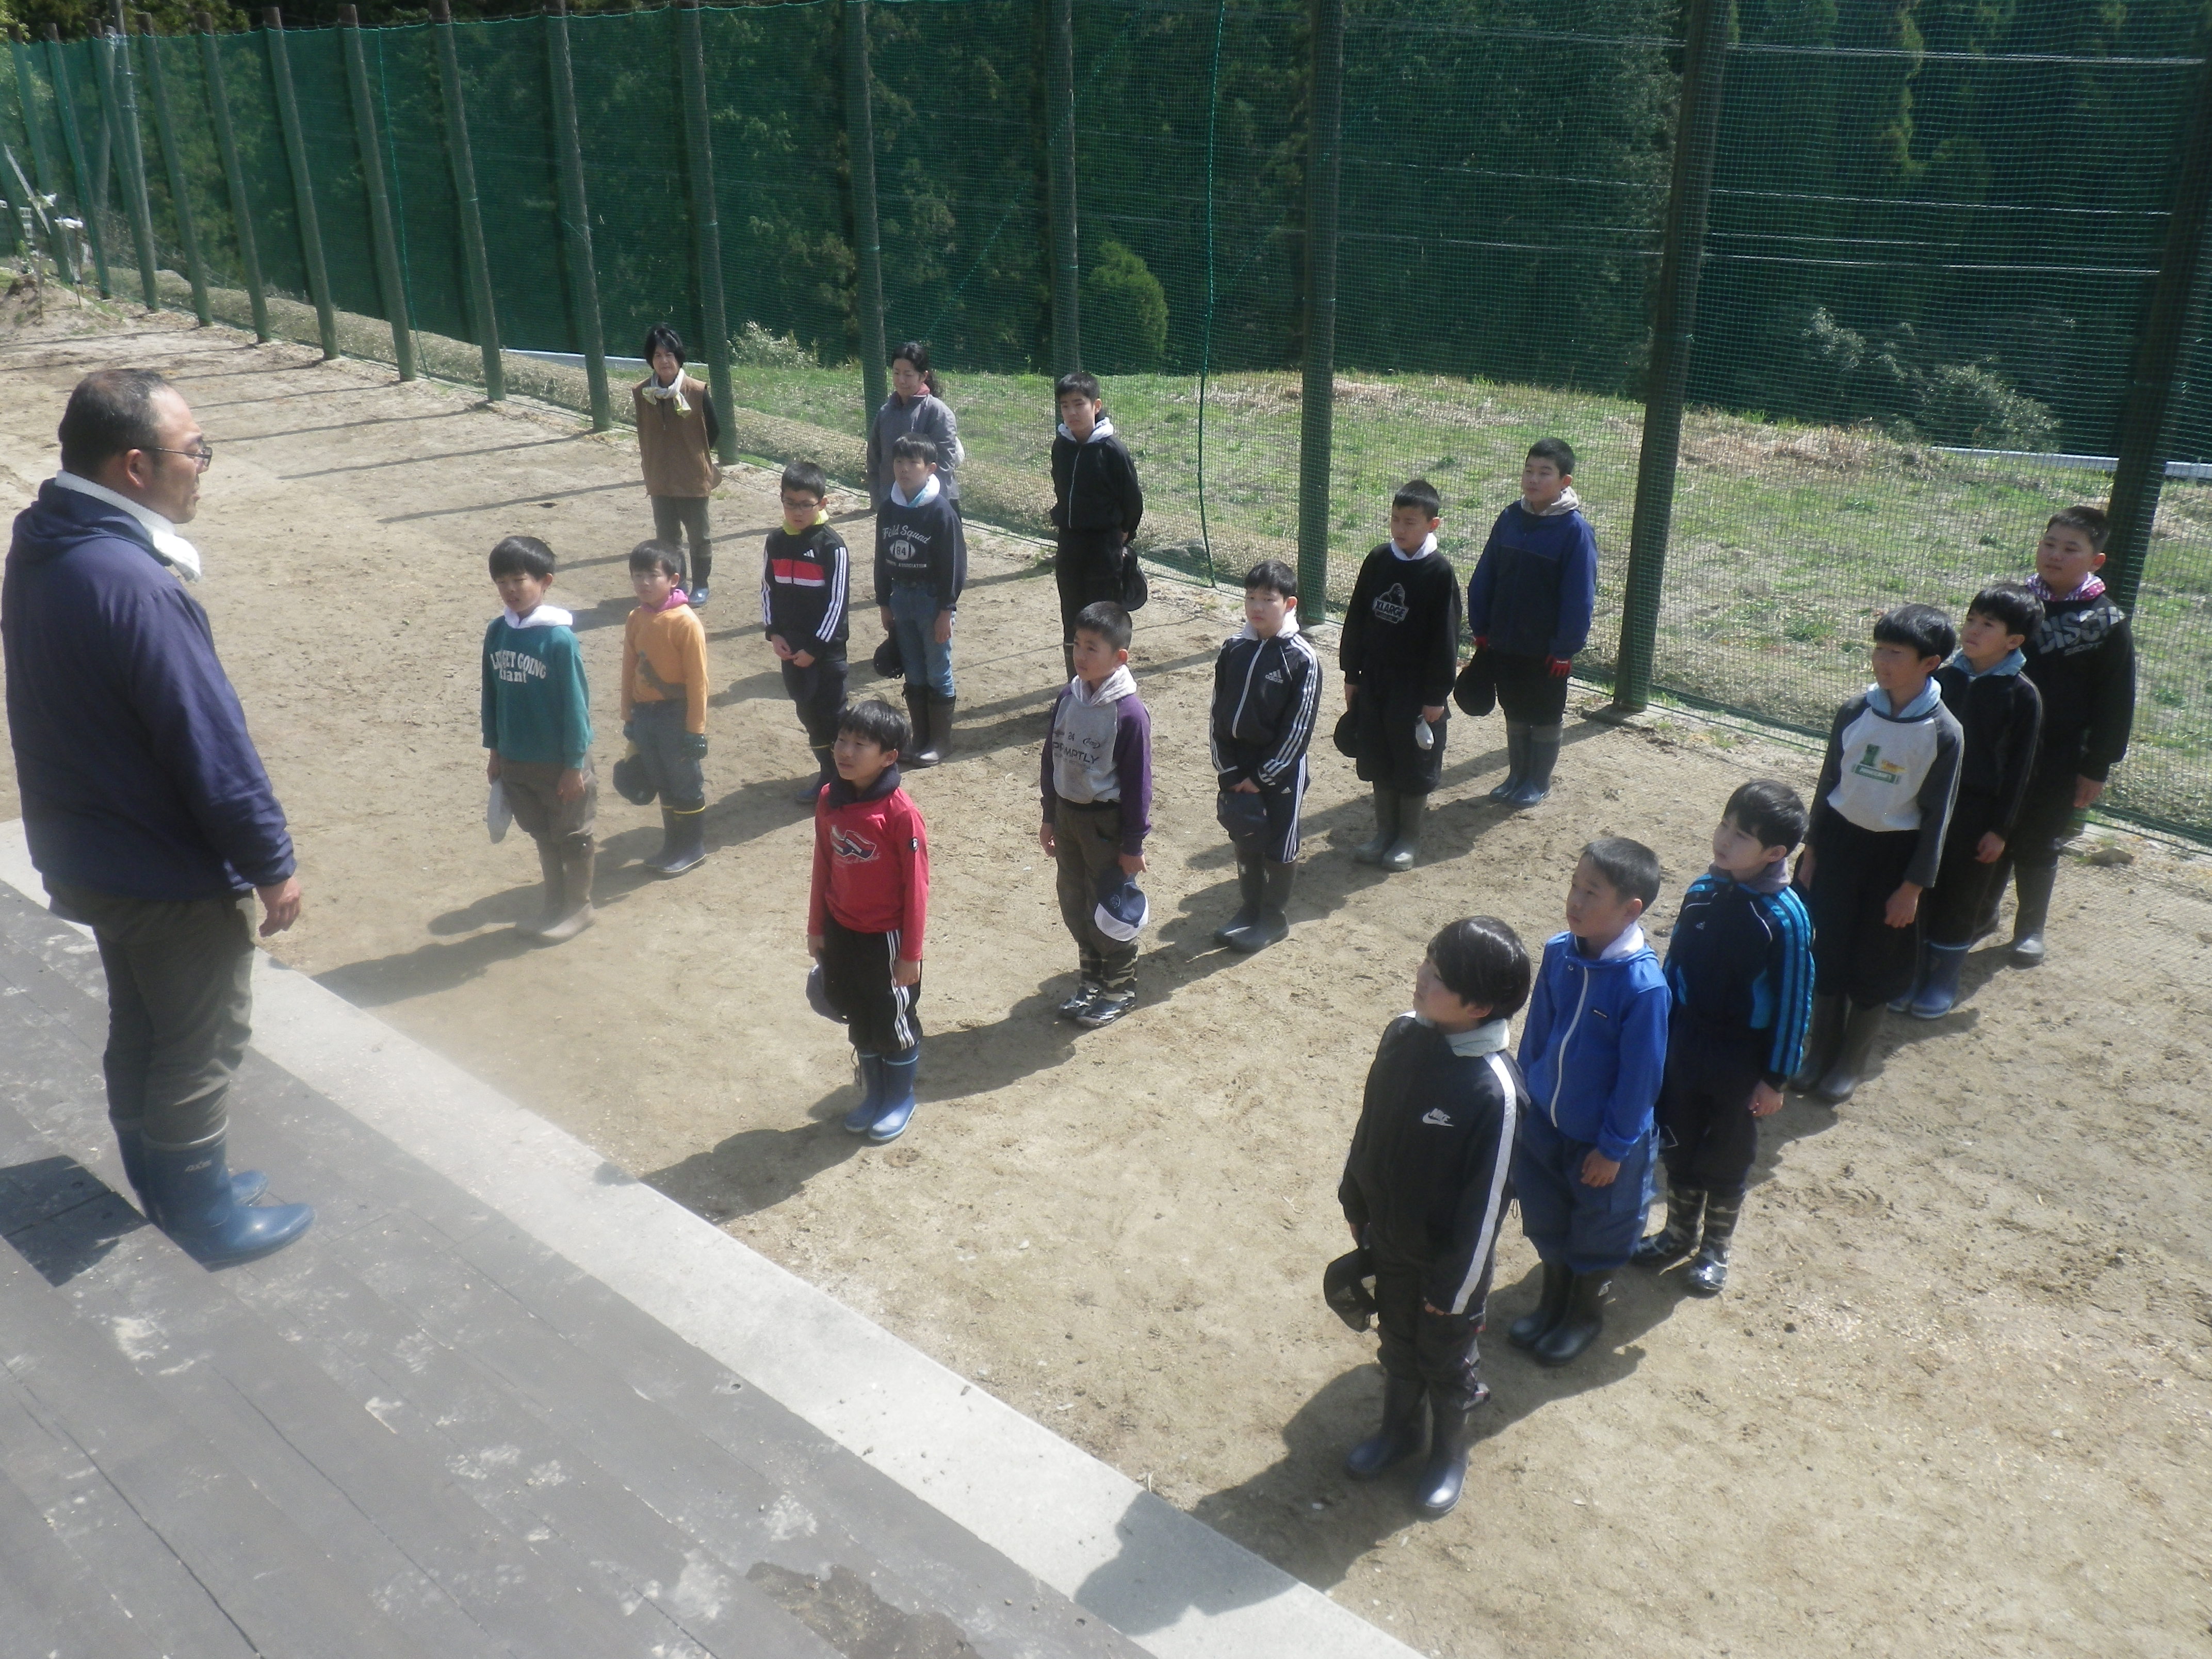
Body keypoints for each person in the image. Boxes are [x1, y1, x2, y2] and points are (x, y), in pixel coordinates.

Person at [2, 367, 314, 1263]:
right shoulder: (134, 584)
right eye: (195, 451)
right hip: (161, 864)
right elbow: (207, 741)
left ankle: (167, 1187)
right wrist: (271, 862)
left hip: (92, 848)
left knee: (142, 1023)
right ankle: (202, 1212)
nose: (203, 467)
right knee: (203, 1036)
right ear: (135, 466)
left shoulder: (45, 545)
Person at [1336, 918, 1531, 1519]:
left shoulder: (1495, 1092)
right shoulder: (1402, 1035)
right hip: (1388, 1239)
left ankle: (1448, 1454)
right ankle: (1398, 1433)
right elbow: (1371, 1123)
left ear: (1479, 1006)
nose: (1422, 975)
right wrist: (1355, 1200)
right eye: (1427, 959)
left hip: (1448, 1269)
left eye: (1440, 976)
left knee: (1445, 1361)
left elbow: (1486, 1207)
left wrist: (1455, 1290)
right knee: (1396, 1340)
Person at [1631, 782, 1813, 1295]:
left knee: (1728, 1152)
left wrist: (1774, 1078)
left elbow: (1795, 1001)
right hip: (1686, 1042)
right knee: (1679, 1137)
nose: (1724, 839)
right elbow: (1675, 966)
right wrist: (1658, 1034)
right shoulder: (1702, 891)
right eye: (1725, 825)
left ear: (1775, 853)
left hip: (1740, 1056)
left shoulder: (1786, 918)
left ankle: (1715, 1247)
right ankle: (1677, 1233)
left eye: (1741, 836)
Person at [1790, 604, 1962, 1104]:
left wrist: (1912, 887)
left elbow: (1938, 818)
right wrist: (1812, 850)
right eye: (1879, 649)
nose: (1882, 661)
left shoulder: (1943, 732)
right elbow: (1829, 783)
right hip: (1841, 845)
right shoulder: (1855, 711)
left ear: (1929, 664)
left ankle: (1850, 1062)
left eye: (1896, 654)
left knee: (1876, 958)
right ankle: (1818, 1053)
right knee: (1828, 945)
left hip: (1894, 857)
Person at [1507, 837, 1668, 1367]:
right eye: (1574, 885)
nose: (1574, 900)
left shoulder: (1643, 988)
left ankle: (1583, 1315)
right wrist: (1525, 1099)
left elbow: (1640, 1079)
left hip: (1602, 1144)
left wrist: (1614, 1148)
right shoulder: (1560, 953)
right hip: (1547, 1124)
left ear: (1630, 910)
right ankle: (1552, 1303)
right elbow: (1537, 1034)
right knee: (1548, 1213)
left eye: (1591, 893)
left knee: (1599, 1227)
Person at [1993, 507, 2136, 967]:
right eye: (2049, 544)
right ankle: (1980, 911)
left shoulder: (2106, 621)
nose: (2055, 555)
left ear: (2096, 561)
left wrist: (2097, 765)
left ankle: (2030, 928)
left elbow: (2116, 701)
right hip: (1999, 745)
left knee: (2040, 838)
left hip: (2059, 754)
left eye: (2071, 549)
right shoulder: (2012, 604)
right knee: (1989, 827)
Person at [1901, 581, 2042, 1016]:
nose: (1973, 630)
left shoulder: (2022, 695)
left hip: (1978, 814)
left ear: (2014, 641)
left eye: (1988, 625)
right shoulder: (1942, 678)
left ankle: (1942, 978)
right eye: (1971, 620)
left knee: (1962, 896)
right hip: (1930, 805)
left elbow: (2021, 771)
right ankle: (1909, 971)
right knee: (1920, 883)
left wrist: (2000, 829)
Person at [808, 700, 931, 1144]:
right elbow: (823, 863)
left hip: (887, 940)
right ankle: (874, 1095)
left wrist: (910, 954)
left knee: (893, 1022)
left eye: (861, 744)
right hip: (842, 930)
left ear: (889, 757)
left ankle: (899, 1098)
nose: (845, 751)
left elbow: (917, 888)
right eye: (842, 740)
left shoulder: (900, 814)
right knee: (857, 1015)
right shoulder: (830, 798)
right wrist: (817, 927)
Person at [1463, 436, 1598, 807]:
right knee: (1514, 706)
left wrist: (1565, 648)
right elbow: (1486, 574)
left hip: (1546, 650)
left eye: (1544, 473)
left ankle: (1538, 781)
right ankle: (1516, 776)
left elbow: (1579, 597)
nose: (1534, 479)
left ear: (1564, 481)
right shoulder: (1510, 517)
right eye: (1529, 471)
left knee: (1545, 712)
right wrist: (1481, 627)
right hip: (1505, 640)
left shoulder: (1575, 531)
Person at [1040, 600, 1153, 1029]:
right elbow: (1051, 759)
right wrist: (1050, 815)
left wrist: (1133, 844)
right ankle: (1091, 982)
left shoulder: (1128, 714)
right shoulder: (1068, 698)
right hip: (1068, 818)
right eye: (1077, 644)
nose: (1081, 655)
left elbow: (1139, 784)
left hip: (1106, 826)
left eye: (1092, 648)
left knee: (1109, 909)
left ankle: (1119, 990)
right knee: (1075, 902)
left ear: (1119, 656)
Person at [1339, 479, 1462, 871]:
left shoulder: (1439, 573)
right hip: (1376, 681)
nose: (1400, 528)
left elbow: (1446, 640)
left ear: (1433, 524)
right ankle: (1384, 834)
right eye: (1395, 519)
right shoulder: (1378, 560)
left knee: (1413, 761)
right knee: (1378, 753)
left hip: (1414, 689)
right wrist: (1352, 673)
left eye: (1410, 522)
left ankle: (1408, 838)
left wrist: (1436, 695)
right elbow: (1357, 617)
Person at [483, 535, 597, 943]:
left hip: (559, 762)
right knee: (542, 832)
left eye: (519, 580)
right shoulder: (498, 632)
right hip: (517, 758)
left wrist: (574, 765)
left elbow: (576, 706)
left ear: (545, 581)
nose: (510, 590)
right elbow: (491, 695)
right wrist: (495, 750)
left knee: (573, 834)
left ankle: (579, 907)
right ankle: (554, 904)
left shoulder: (559, 639)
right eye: (502, 582)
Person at [1209, 559, 1321, 952]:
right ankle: (1250, 908)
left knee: (1280, 841)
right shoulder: (1233, 649)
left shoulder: (1302, 658)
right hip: (1237, 765)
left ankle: (1273, 918)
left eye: (1267, 599)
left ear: (1289, 604)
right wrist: (1228, 770)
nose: (1256, 607)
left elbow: (1298, 730)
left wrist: (1262, 778)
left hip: (1281, 771)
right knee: (1245, 831)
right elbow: (1218, 713)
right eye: (1251, 597)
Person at [619, 541, 711, 877]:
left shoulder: (685, 623)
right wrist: (629, 716)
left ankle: (692, 848)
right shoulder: (636, 619)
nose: (643, 583)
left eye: (652, 575)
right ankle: (673, 846)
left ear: (673, 579)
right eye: (637, 575)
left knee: (684, 782)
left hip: (676, 715)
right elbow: (629, 669)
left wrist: (695, 730)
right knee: (661, 780)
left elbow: (698, 681)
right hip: (646, 716)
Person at [762, 460, 852, 806]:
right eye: (790, 503)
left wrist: (815, 648)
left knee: (833, 715)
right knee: (807, 713)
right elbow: (768, 590)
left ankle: (847, 779)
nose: (797, 512)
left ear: (822, 503)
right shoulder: (775, 542)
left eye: (805, 504)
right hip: (792, 648)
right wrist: (774, 633)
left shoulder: (833, 547)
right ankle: (828, 774)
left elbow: (837, 604)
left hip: (825, 653)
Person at [874, 434, 966, 768]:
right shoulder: (889, 508)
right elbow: (881, 558)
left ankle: (941, 742)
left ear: (931, 469)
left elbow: (953, 565)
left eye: (913, 463)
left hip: (931, 599)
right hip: (901, 597)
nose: (904, 469)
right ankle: (920, 738)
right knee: (913, 670)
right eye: (899, 462)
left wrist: (946, 609)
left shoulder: (940, 512)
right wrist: (884, 601)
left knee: (938, 670)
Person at [1049, 371, 1145, 680]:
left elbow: (1132, 499)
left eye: (1079, 404)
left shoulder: (1113, 450)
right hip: (1070, 544)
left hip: (1104, 548)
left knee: (1102, 618)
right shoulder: (1061, 446)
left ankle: (1107, 684)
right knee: (1072, 616)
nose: (1072, 412)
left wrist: (1123, 533)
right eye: (1065, 406)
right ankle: (1077, 686)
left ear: (1096, 406)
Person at [632, 324, 722, 604]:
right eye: (658, 355)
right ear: (651, 360)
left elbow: (715, 430)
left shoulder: (696, 390)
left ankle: (701, 584)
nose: (664, 361)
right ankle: (677, 584)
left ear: (679, 357)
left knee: (699, 536)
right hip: (659, 478)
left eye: (669, 354)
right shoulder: (642, 392)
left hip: (693, 477)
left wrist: (695, 455)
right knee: (667, 537)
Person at [866, 340, 964, 512]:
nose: (901, 380)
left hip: (933, 508)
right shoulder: (885, 413)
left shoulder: (939, 414)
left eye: (908, 374)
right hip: (892, 505)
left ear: (923, 376)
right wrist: (880, 501)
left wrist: (928, 508)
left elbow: (943, 469)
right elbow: (874, 460)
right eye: (896, 373)